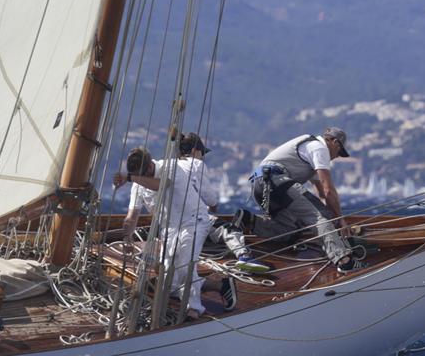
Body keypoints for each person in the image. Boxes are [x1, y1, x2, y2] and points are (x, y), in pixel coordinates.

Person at [237, 127, 366, 274]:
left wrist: (332, 218)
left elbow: (322, 193)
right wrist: (339, 220)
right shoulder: (319, 148)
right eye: (339, 152)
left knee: (290, 231)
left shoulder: (309, 152)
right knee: (322, 217)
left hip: (260, 185)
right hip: (275, 180)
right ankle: (345, 262)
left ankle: (249, 220)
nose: (336, 157)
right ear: (334, 142)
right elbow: (328, 189)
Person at [113, 147, 210, 318]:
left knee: (186, 264)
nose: (140, 179)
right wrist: (127, 238)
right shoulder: (138, 184)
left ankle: (193, 308)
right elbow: (132, 215)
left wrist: (128, 178)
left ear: (150, 166)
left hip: (193, 220)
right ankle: (218, 285)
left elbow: (161, 184)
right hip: (170, 228)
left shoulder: (170, 167)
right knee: (167, 278)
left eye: (142, 175)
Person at [176, 132, 270, 277]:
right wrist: (213, 206)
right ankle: (244, 256)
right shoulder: (195, 164)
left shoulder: (171, 165)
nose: (203, 157)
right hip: (191, 218)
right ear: (195, 151)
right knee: (228, 228)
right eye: (202, 153)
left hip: (171, 222)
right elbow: (209, 197)